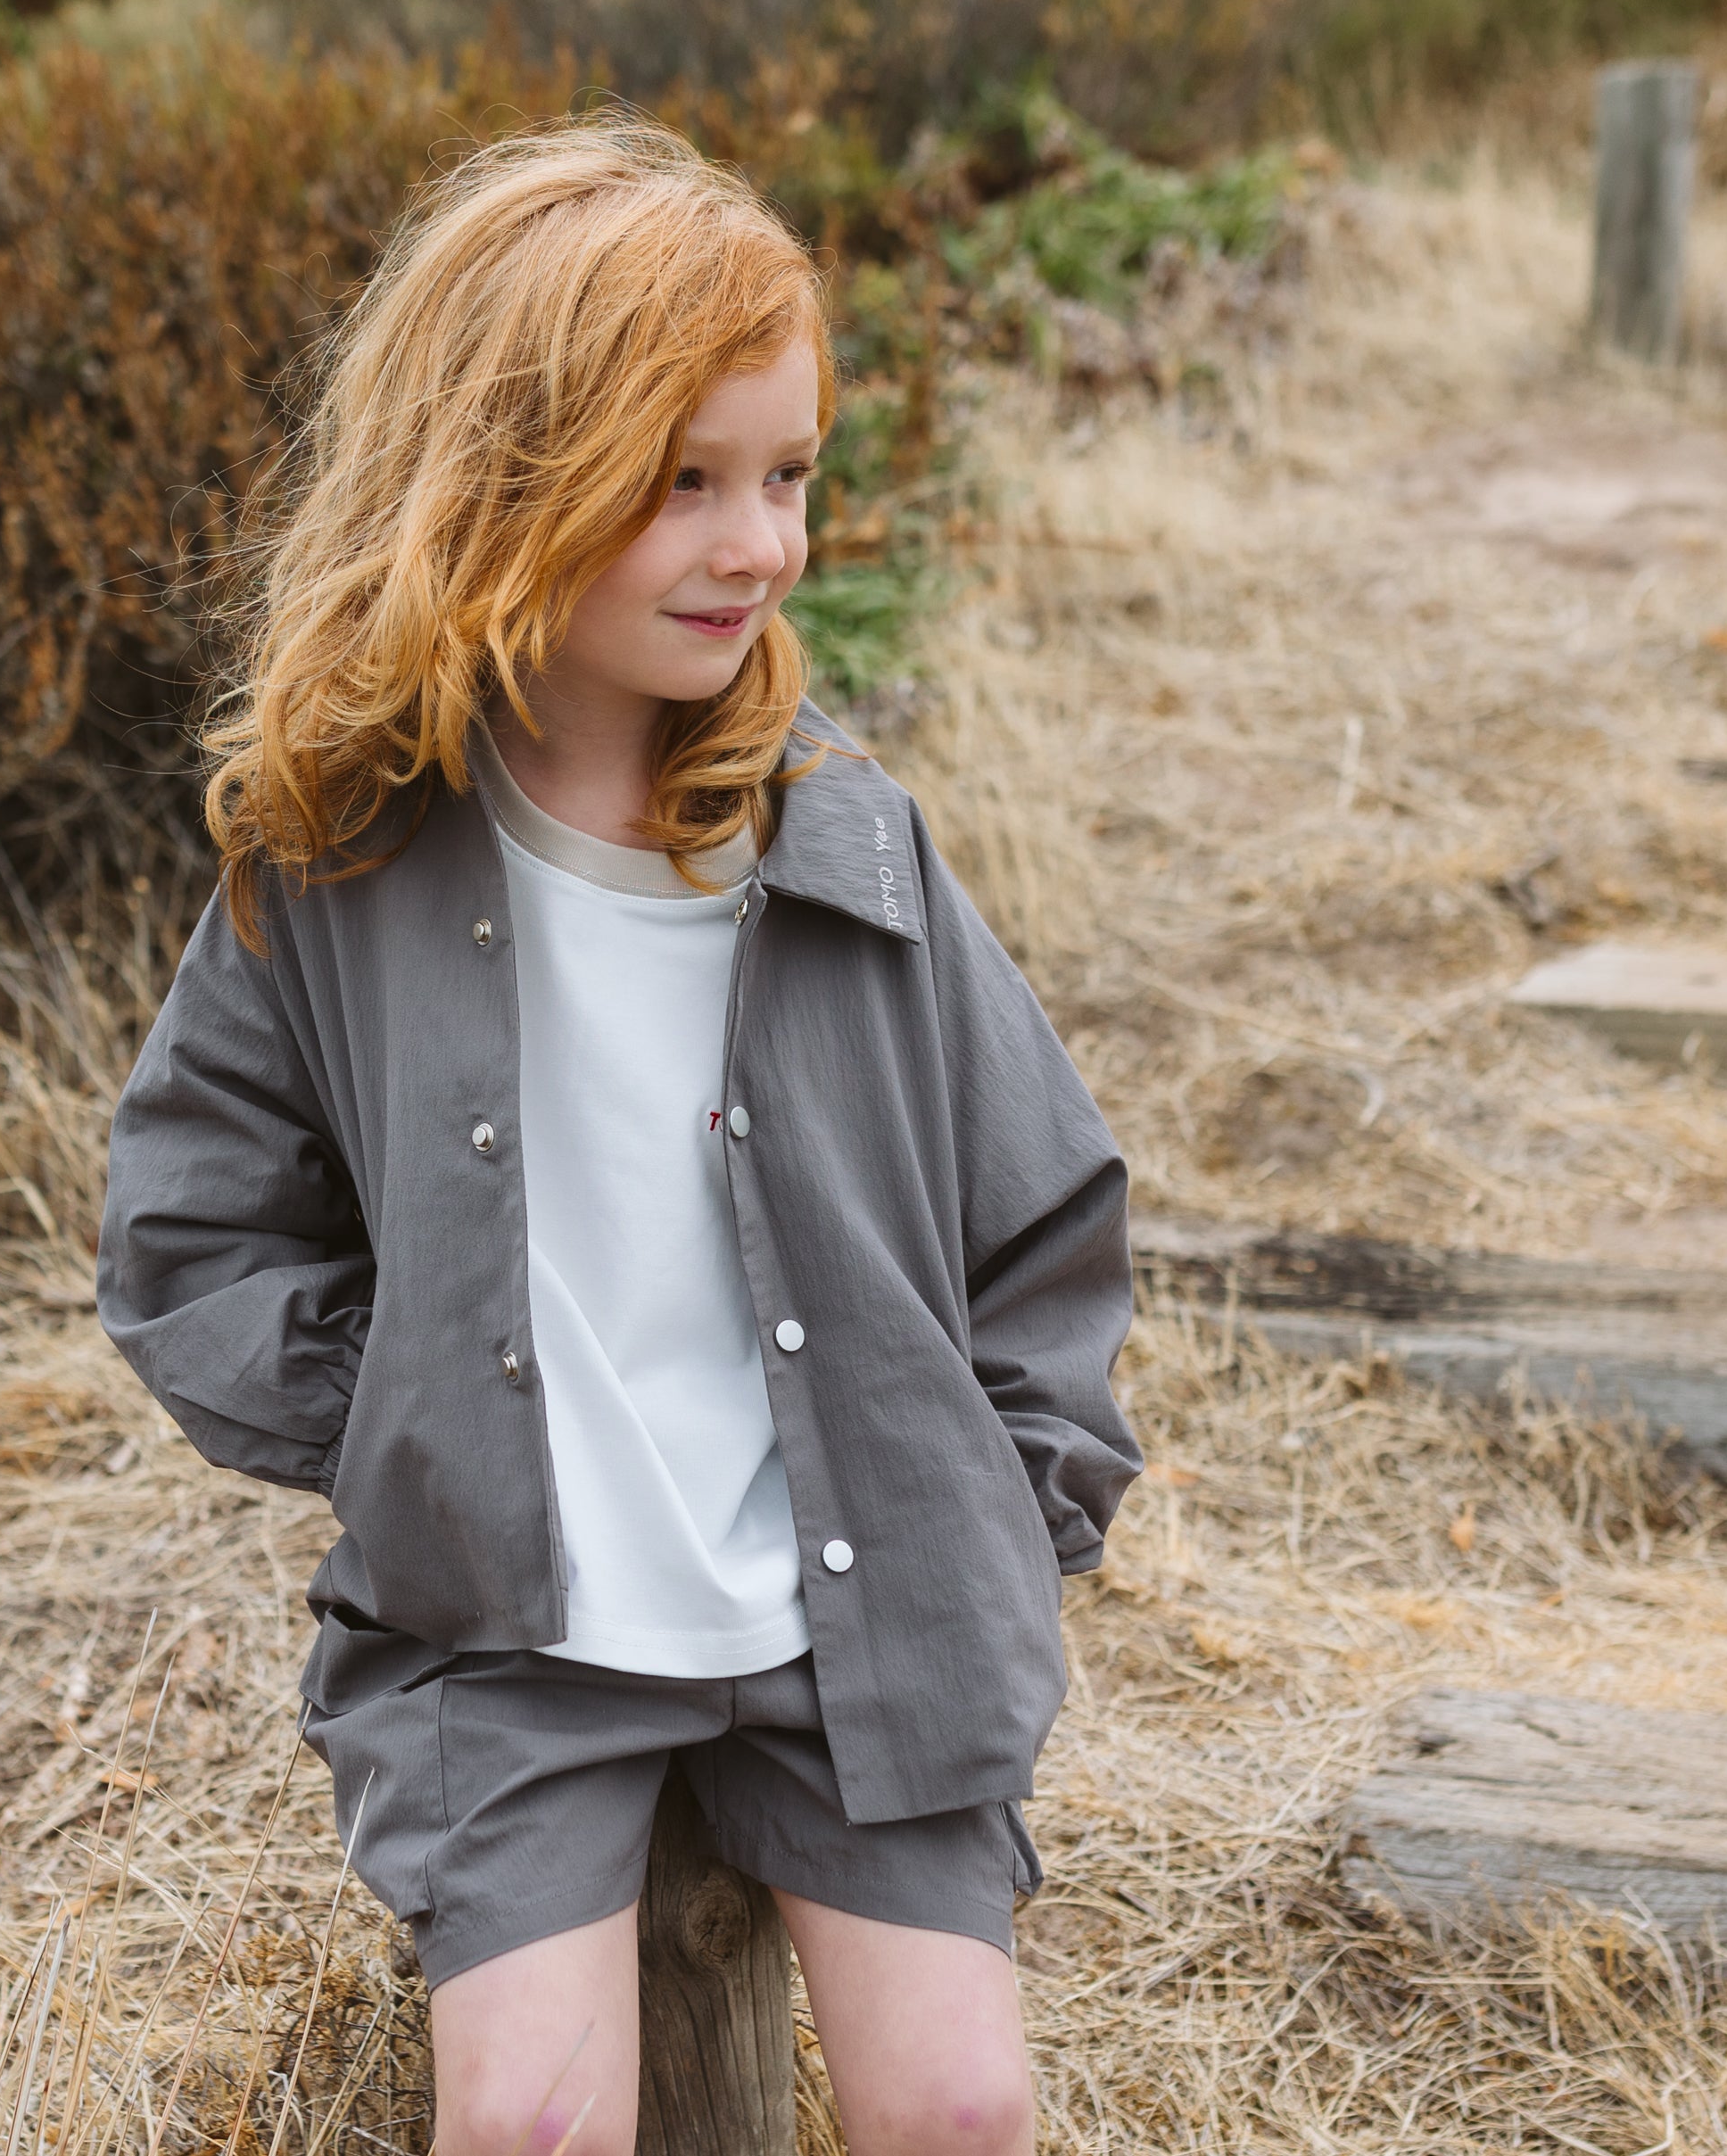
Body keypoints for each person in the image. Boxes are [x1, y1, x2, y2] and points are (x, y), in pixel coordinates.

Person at [97, 114, 1139, 2156]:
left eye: (788, 474)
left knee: (958, 2105)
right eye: (683, 482)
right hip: (508, 1643)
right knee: (530, 2126)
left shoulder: (843, 841)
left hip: (859, 1614)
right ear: (503, 477)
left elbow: (1047, 1213)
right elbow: (187, 1236)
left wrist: (1009, 1511)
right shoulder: (338, 860)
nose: (758, 544)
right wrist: (409, 1419)